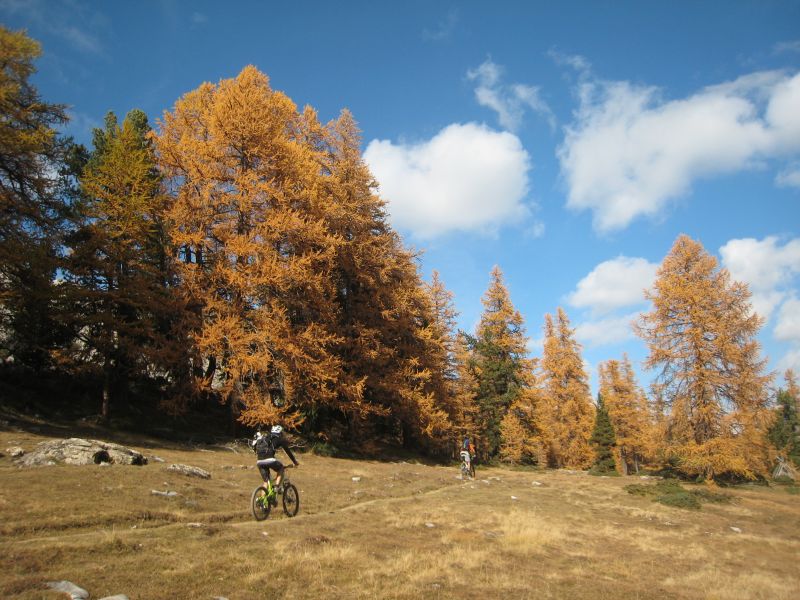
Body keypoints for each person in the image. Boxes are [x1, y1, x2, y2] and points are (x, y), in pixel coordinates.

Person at [251, 425, 299, 500]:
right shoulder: (279, 439)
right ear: (280, 432)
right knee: (281, 468)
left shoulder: (265, 437)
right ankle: (276, 487)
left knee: (266, 481)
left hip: (259, 461)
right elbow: (288, 451)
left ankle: (263, 503)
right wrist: (295, 462)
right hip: (270, 460)